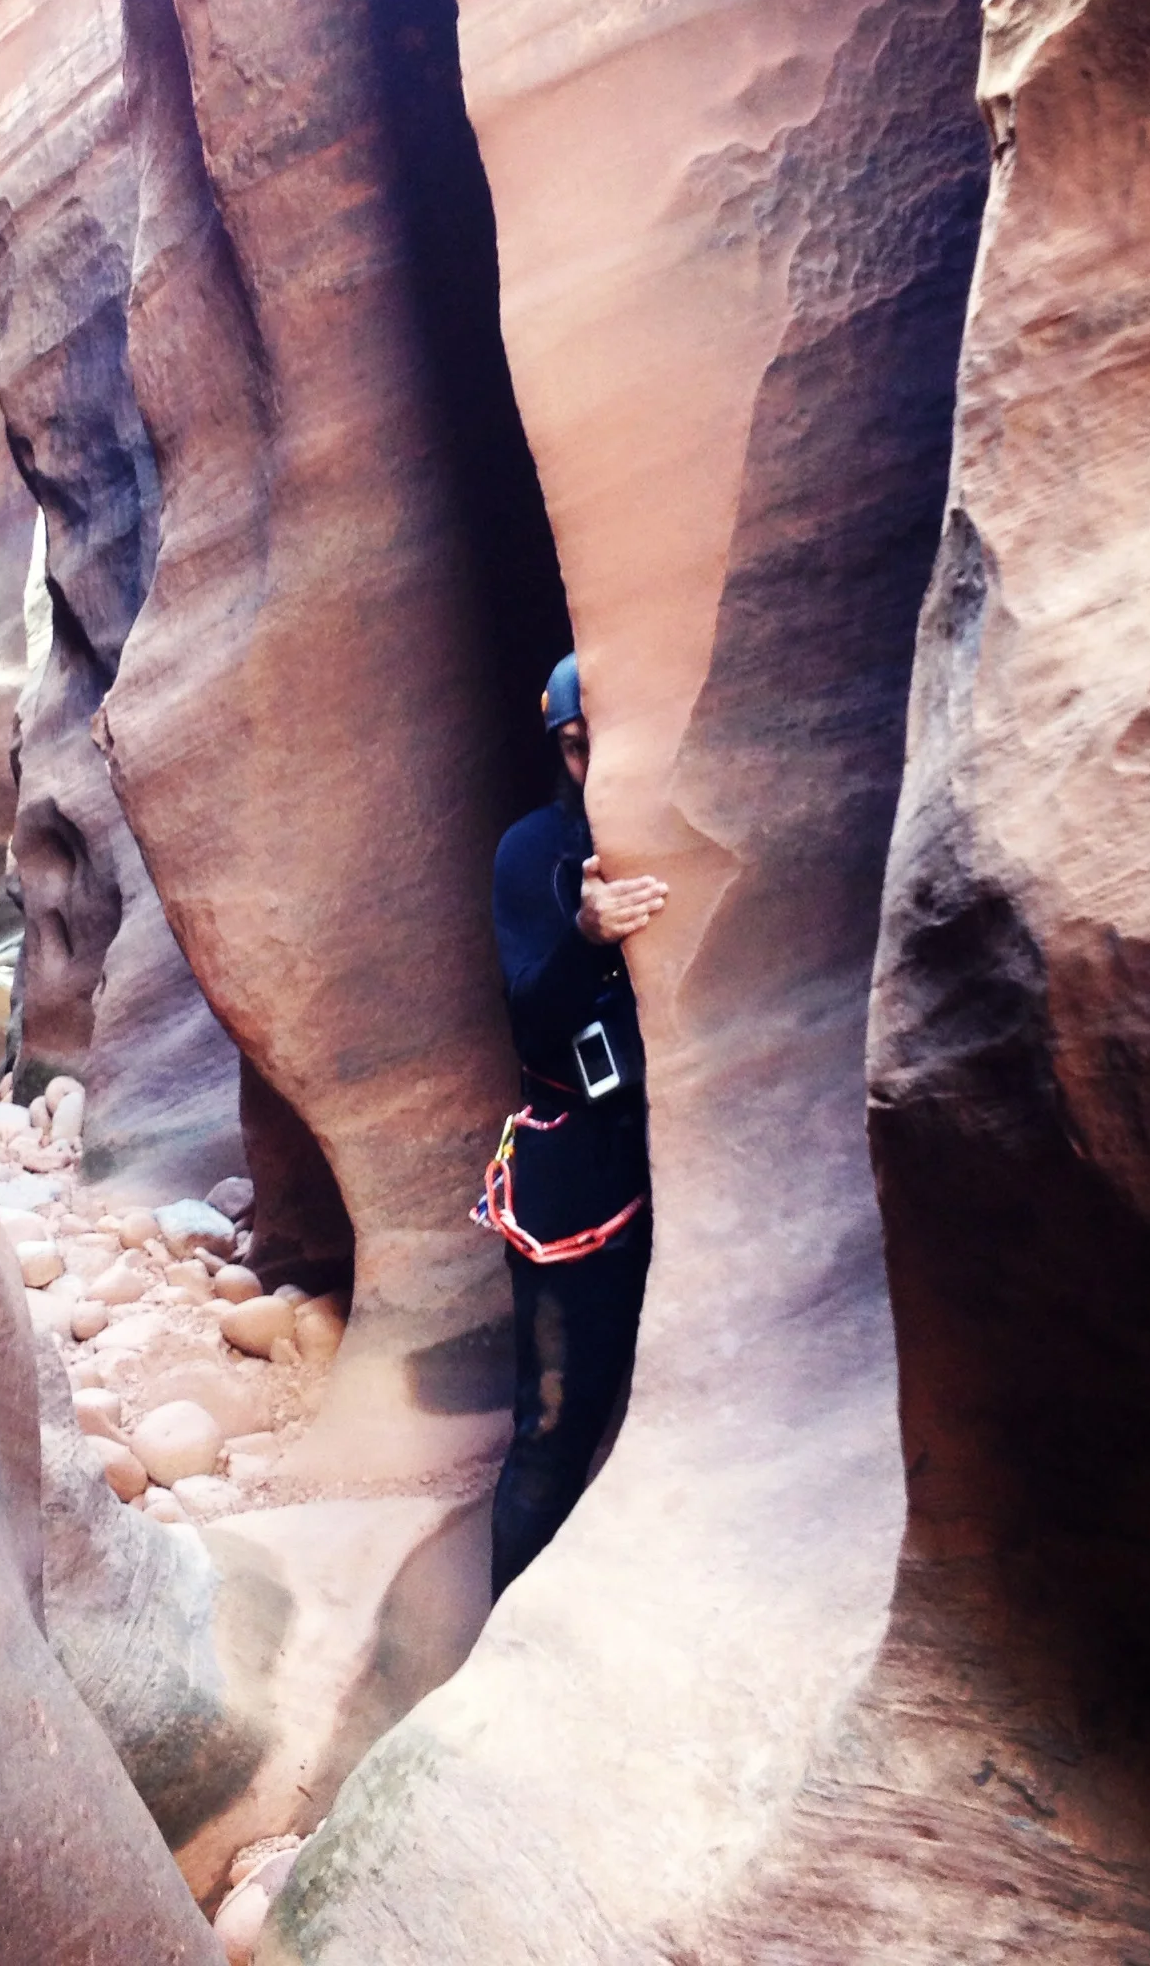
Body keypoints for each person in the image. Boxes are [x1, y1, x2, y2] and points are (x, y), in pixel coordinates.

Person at [479, 650, 667, 1595]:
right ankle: (505, 1629)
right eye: (574, 747)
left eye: (603, 744)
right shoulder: (531, 853)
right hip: (578, 1178)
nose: (589, 766)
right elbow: (528, 1012)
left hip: (674, 1163)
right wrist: (586, 936)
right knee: (553, 1423)